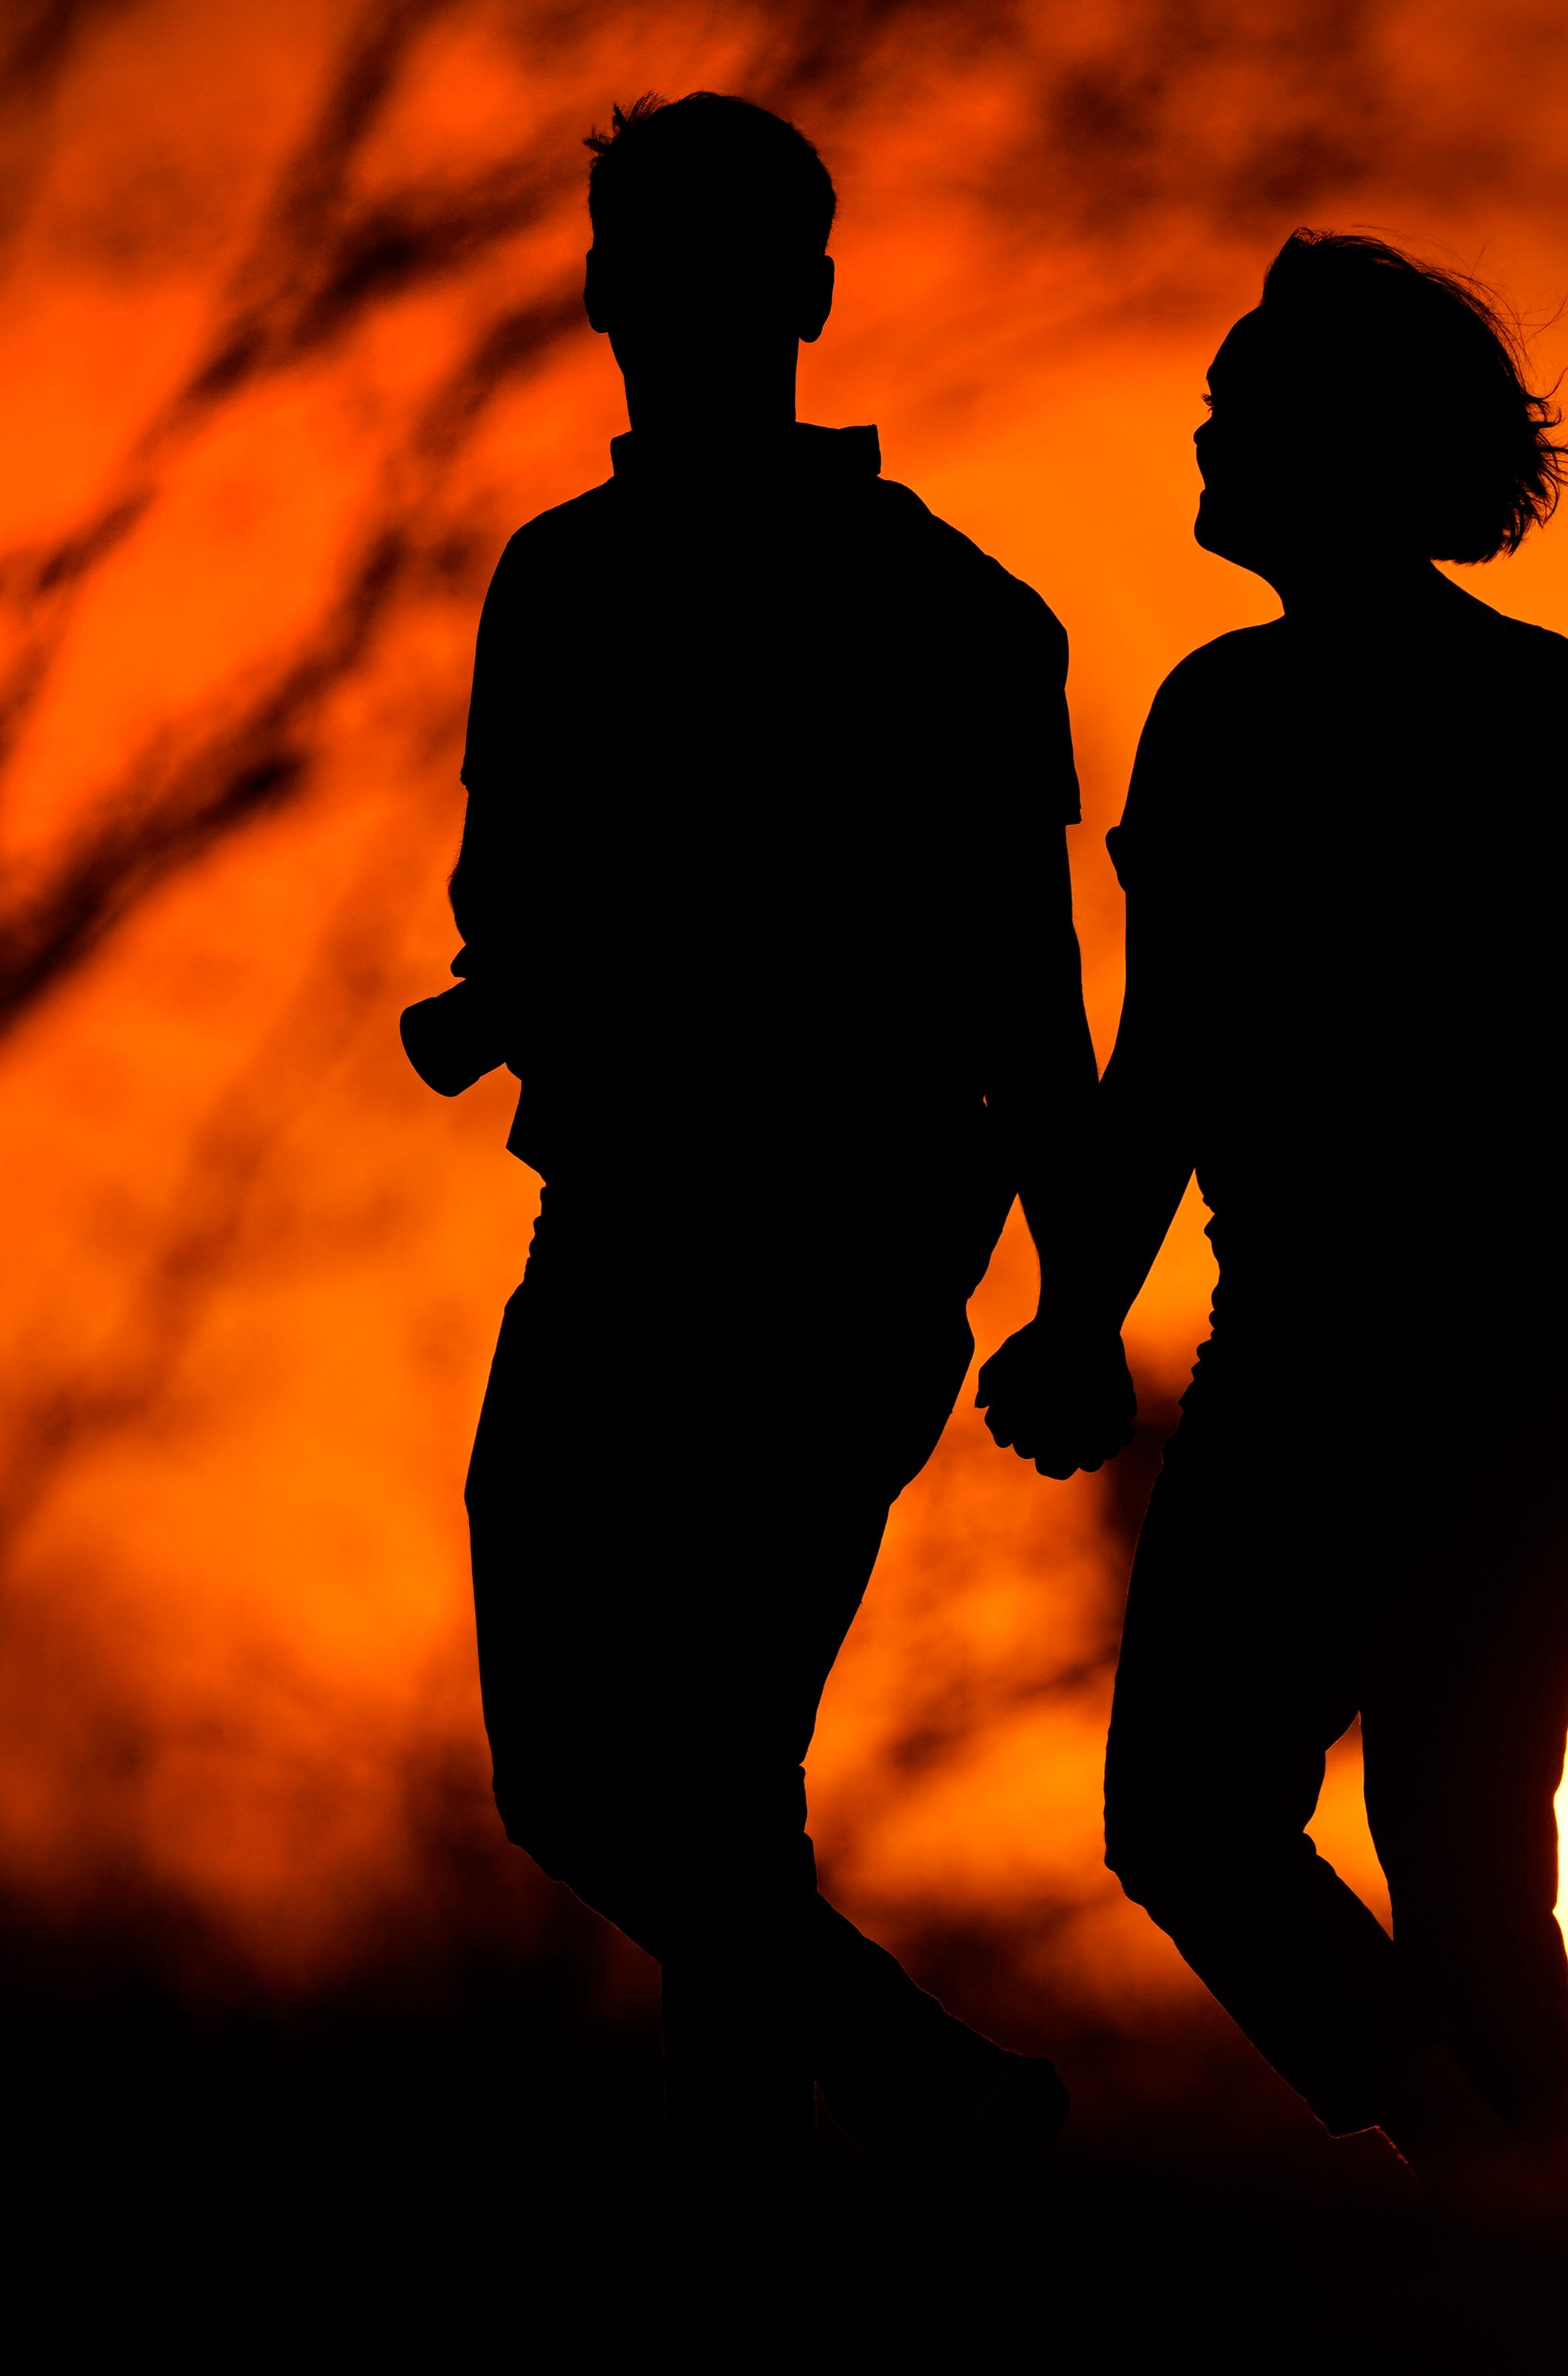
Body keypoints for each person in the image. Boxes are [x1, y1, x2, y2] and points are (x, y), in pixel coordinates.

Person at [980, 230, 1568, 2213]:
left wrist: (1076, 1310)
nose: (1209, 430)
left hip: (1345, 1337)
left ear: (1337, 448)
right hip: (1567, 1349)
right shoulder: (1566, 705)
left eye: (1244, 405)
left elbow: (1173, 1055)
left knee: (1194, 1809)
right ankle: (1514, 2225)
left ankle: (1477, 2165)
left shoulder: (1240, 710)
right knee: (1470, 1822)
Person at [401, 92, 1096, 2150]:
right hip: (645, 1218)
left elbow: (1027, 984)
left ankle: (882, 2120)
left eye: (723, 260)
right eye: (655, 260)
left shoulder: (954, 612)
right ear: (610, 288)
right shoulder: (573, 584)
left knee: (676, 1776)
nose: (679, 301)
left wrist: (1071, 1292)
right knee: (650, 1781)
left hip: (839, 1237)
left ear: (800, 291)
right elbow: (509, 903)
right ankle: (900, 2109)